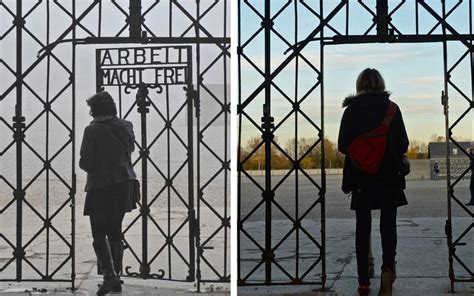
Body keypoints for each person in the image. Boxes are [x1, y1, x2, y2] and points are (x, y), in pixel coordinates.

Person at [338, 68, 409, 295]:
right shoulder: (392, 108)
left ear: (359, 85)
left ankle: (363, 281)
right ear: (381, 84)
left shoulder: (350, 110)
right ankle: (387, 272)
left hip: (360, 178)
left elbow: (342, 145)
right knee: (388, 226)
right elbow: (403, 143)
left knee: (363, 227)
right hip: (388, 177)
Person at [79, 91, 137, 295]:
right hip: (124, 184)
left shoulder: (91, 130)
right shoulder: (126, 126)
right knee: (114, 230)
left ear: (94, 110)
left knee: (98, 233)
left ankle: (110, 276)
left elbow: (86, 163)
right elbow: (130, 150)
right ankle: (116, 278)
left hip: (101, 187)